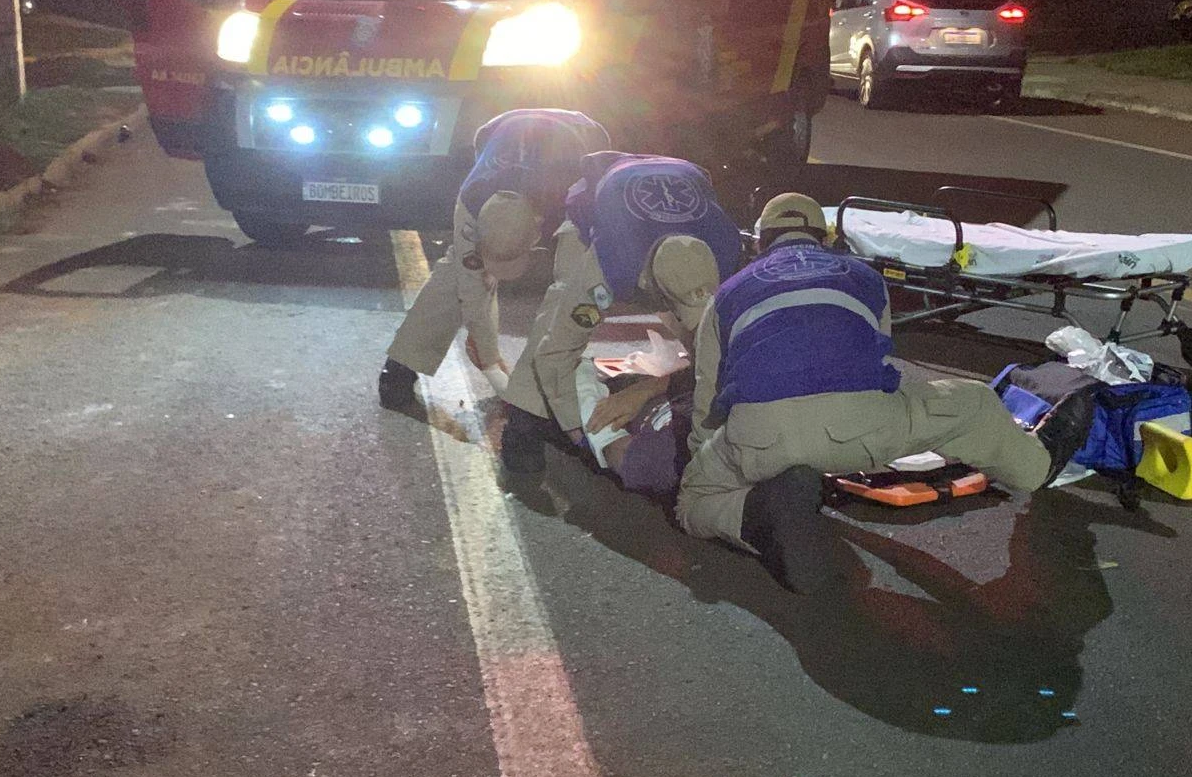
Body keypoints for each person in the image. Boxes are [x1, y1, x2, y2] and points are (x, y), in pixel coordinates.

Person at [675, 193, 1097, 595]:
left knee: (692, 502)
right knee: (973, 403)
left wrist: (706, 461)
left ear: (760, 242)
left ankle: (758, 511)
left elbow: (708, 395)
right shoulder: (865, 278)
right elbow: (877, 360)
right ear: (827, 238)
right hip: (861, 430)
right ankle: (1036, 465)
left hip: (763, 439)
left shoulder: (726, 295)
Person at [497, 154, 743, 474]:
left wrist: (651, 389)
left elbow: (721, 348)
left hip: (675, 183)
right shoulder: (611, 264)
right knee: (555, 326)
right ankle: (523, 422)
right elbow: (555, 352)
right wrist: (585, 434)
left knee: (710, 342)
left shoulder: (727, 250)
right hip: (596, 207)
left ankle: (680, 396)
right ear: (649, 284)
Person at [379, 108, 610, 410]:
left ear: (538, 231)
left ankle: (538, 389)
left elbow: (573, 291)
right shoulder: (472, 198)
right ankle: (400, 368)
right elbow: (471, 283)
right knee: (458, 273)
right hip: (495, 131)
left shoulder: (580, 198)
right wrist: (488, 357)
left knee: (572, 288)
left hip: (584, 136)